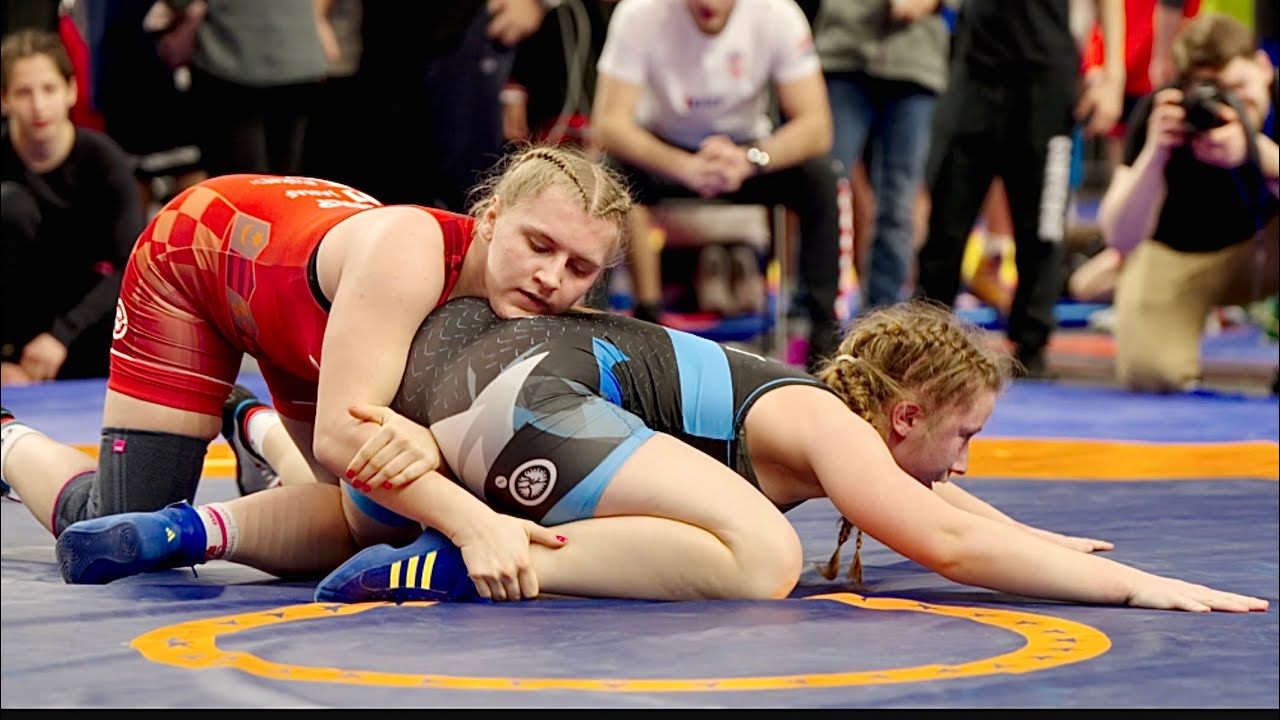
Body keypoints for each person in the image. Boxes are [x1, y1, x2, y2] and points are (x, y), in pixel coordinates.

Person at [46, 298, 1268, 613]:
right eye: (965, 431)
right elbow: (939, 535)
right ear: (902, 416)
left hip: (481, 386)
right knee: (753, 560)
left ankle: (187, 526)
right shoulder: (815, 423)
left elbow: (956, 513)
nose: (972, 456)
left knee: (384, 512)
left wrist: (1047, 541)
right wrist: (1127, 585)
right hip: (523, 385)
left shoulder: (820, 425)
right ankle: (450, 568)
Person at [0, 143, 634, 576]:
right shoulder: (410, 253)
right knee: (111, 525)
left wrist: (426, 446)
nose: (552, 277)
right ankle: (4, 437)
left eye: (579, 267)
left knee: (361, 524)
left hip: (302, 317)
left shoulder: (531, 299)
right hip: (199, 258)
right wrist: (475, 526)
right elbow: (341, 435)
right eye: (539, 245)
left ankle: (254, 427)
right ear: (491, 218)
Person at [592, 0, 842, 370]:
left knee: (820, 177)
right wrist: (683, 166)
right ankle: (596, 319)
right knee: (606, 174)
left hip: (746, 152)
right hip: (665, 152)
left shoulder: (778, 13)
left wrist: (751, 159)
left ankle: (823, 337)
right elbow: (609, 124)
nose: (709, 5)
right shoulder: (638, 13)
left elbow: (817, 126)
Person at [913, 0, 1127, 378]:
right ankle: (927, 338)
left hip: (1045, 74)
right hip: (974, 66)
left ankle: (1032, 343)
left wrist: (1113, 75)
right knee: (947, 216)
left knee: (1043, 223)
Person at [1096, 11, 1278, 393]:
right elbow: (1119, 235)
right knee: (1150, 371)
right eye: (1214, 93)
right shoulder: (1163, 114)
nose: (1231, 105)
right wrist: (1155, 155)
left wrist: (1256, 151)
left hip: (1267, 249)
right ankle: (1112, 278)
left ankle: (1100, 277)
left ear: (1264, 67)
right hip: (1178, 256)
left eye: (1238, 87)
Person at [1, 27, 146, 384]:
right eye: (23, 92)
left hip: (85, 325)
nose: (38, 106)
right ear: (4, 99)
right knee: (10, 204)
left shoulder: (104, 162)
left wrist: (60, 336)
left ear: (71, 90)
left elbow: (132, 265)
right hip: (15, 330)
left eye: (48, 89)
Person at [813, 0, 959, 312]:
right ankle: (812, 312)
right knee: (827, 188)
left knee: (899, 202)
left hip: (916, 65)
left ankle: (883, 318)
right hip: (843, 54)